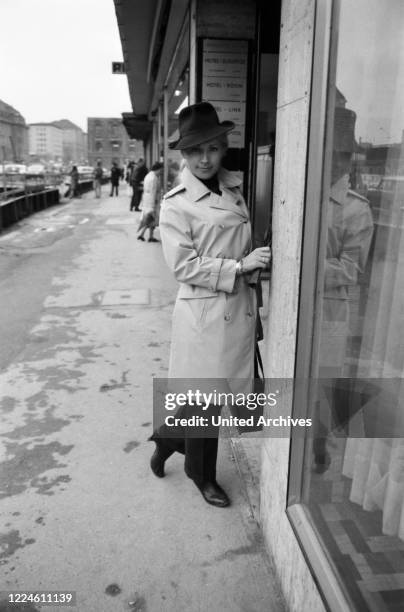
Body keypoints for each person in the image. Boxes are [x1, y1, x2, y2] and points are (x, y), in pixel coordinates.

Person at [148, 102, 271, 507]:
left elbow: (237, 242)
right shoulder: (176, 203)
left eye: (213, 149)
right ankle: (201, 475)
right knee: (205, 401)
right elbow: (183, 266)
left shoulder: (232, 187)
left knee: (213, 397)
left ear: (223, 148)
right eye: (196, 150)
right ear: (183, 155)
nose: (205, 159)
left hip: (237, 304)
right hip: (205, 312)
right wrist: (239, 266)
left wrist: (253, 267)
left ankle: (167, 440)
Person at [136, 162, 163, 242]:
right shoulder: (153, 178)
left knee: (151, 219)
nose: (161, 172)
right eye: (161, 170)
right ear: (158, 169)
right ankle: (144, 235)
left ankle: (147, 236)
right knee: (151, 219)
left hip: (147, 201)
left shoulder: (148, 176)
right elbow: (153, 191)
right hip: (152, 202)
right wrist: (153, 205)